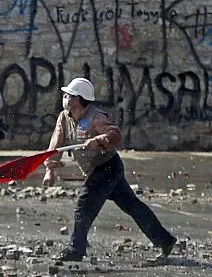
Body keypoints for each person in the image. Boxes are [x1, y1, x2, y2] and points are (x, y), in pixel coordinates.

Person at [43, 77, 176, 262]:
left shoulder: (96, 117)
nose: (64, 98)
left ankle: (75, 250)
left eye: (68, 95)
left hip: (107, 167)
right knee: (132, 206)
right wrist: (50, 168)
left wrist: (98, 141)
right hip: (98, 170)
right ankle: (165, 240)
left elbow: (115, 135)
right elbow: (55, 144)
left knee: (84, 207)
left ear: (78, 99)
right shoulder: (64, 118)